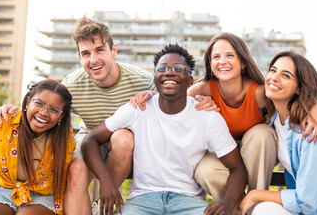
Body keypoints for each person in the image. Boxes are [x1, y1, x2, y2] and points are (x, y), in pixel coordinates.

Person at [0, 17, 215, 215]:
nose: (93, 60)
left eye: (99, 50)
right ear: (79, 57)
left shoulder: (141, 80)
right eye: (85, 53)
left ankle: (103, 202)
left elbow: (174, 95)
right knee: (75, 168)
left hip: (131, 146)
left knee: (123, 136)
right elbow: (44, 106)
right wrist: (10, 110)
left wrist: (201, 99)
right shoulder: (73, 85)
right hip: (90, 137)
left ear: (112, 51)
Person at [132, 32, 317, 201]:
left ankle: (255, 200)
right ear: (210, 63)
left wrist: (316, 112)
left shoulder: (259, 92)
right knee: (204, 170)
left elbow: (305, 97)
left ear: (242, 63)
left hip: (256, 154)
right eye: (216, 57)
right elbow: (172, 98)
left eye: (230, 56)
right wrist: (149, 95)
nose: (222, 61)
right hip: (224, 155)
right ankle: (235, 206)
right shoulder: (203, 88)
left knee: (262, 133)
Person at [82, 44, 247, 215]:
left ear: (190, 81)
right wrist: (106, 179)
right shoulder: (137, 108)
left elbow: (238, 169)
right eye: (162, 68)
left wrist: (226, 205)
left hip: (189, 202)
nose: (169, 72)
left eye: (178, 68)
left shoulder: (207, 116)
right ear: (155, 78)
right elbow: (90, 140)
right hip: (141, 201)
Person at [237, 51, 317, 215]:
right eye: (273, 70)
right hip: (303, 211)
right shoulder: (274, 121)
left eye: (286, 76)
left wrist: (255, 194)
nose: (274, 77)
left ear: (299, 89)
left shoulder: (311, 132)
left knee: (263, 209)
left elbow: (307, 200)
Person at [0, 80, 75, 215]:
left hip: (41, 195)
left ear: (61, 116)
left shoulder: (65, 140)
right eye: (39, 103)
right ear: (28, 102)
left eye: (54, 110)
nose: (44, 112)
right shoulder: (3, 122)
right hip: (3, 189)